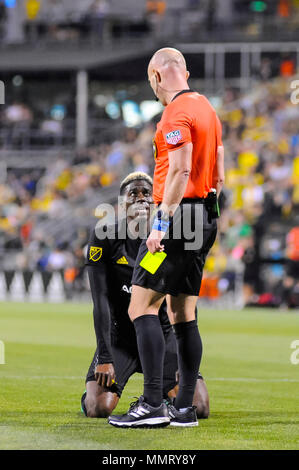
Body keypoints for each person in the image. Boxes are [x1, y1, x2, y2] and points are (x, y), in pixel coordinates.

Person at [108, 48, 224, 428]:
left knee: (140, 306)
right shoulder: (208, 109)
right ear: (185, 72)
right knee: (182, 312)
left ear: (156, 76)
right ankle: (185, 408)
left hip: (176, 220)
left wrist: (161, 225)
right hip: (205, 216)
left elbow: (179, 169)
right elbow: (218, 174)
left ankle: (153, 403)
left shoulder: (175, 112)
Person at [81, 172, 210, 419]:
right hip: (122, 338)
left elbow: (185, 303)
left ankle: (158, 395)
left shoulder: (171, 238)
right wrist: (105, 355)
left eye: (146, 194)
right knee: (98, 408)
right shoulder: (104, 236)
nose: (141, 199)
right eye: (133, 194)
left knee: (200, 407)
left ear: (157, 201)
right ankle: (95, 395)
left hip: (162, 335)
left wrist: (185, 361)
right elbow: (101, 301)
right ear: (121, 205)